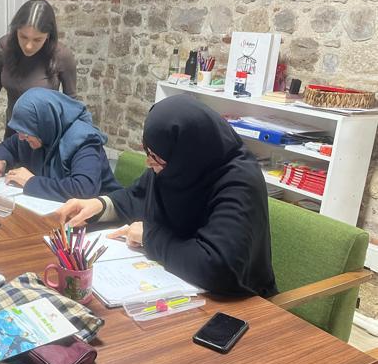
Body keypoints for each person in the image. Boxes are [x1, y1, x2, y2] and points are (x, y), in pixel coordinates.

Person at [55, 95, 277, 297]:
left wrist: (150, 238)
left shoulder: (239, 182)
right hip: (182, 287)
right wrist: (101, 205)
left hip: (240, 303)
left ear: (185, 154)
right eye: (148, 152)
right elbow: (137, 197)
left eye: (155, 157)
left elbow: (218, 267)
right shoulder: (177, 165)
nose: (148, 163)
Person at [0, 88, 121, 202]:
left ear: (45, 123)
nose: (21, 137)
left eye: (25, 132)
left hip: (101, 219)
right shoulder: (35, 134)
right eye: (19, 131)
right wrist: (1, 161)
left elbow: (84, 189)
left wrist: (31, 181)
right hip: (55, 211)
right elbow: (7, 147)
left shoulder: (84, 141)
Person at [0, 0, 77, 139]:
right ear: (16, 30)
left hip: (44, 135)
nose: (29, 46)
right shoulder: (5, 46)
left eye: (37, 40)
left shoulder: (62, 56)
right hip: (13, 128)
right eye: (23, 37)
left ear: (48, 35)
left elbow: (71, 102)